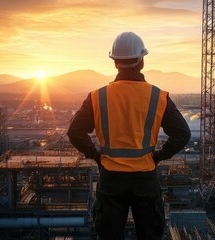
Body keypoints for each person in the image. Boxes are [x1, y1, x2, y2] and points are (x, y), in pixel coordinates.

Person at [67, 32, 191, 239]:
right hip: (145, 178)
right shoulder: (158, 97)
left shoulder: (97, 97)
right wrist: (158, 156)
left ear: (115, 62)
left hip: (111, 178)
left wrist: (96, 155)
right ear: (141, 61)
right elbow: (182, 134)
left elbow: (75, 132)